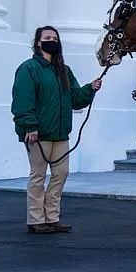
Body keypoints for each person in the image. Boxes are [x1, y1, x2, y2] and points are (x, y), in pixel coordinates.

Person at [11, 26, 103, 234]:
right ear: (38, 43)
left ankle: (51, 217)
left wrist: (90, 88)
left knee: (61, 174)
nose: (52, 40)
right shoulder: (29, 68)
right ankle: (36, 219)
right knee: (38, 175)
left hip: (61, 133)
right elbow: (23, 100)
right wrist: (30, 126)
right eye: (47, 37)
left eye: (55, 37)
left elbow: (76, 99)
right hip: (38, 134)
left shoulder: (64, 70)